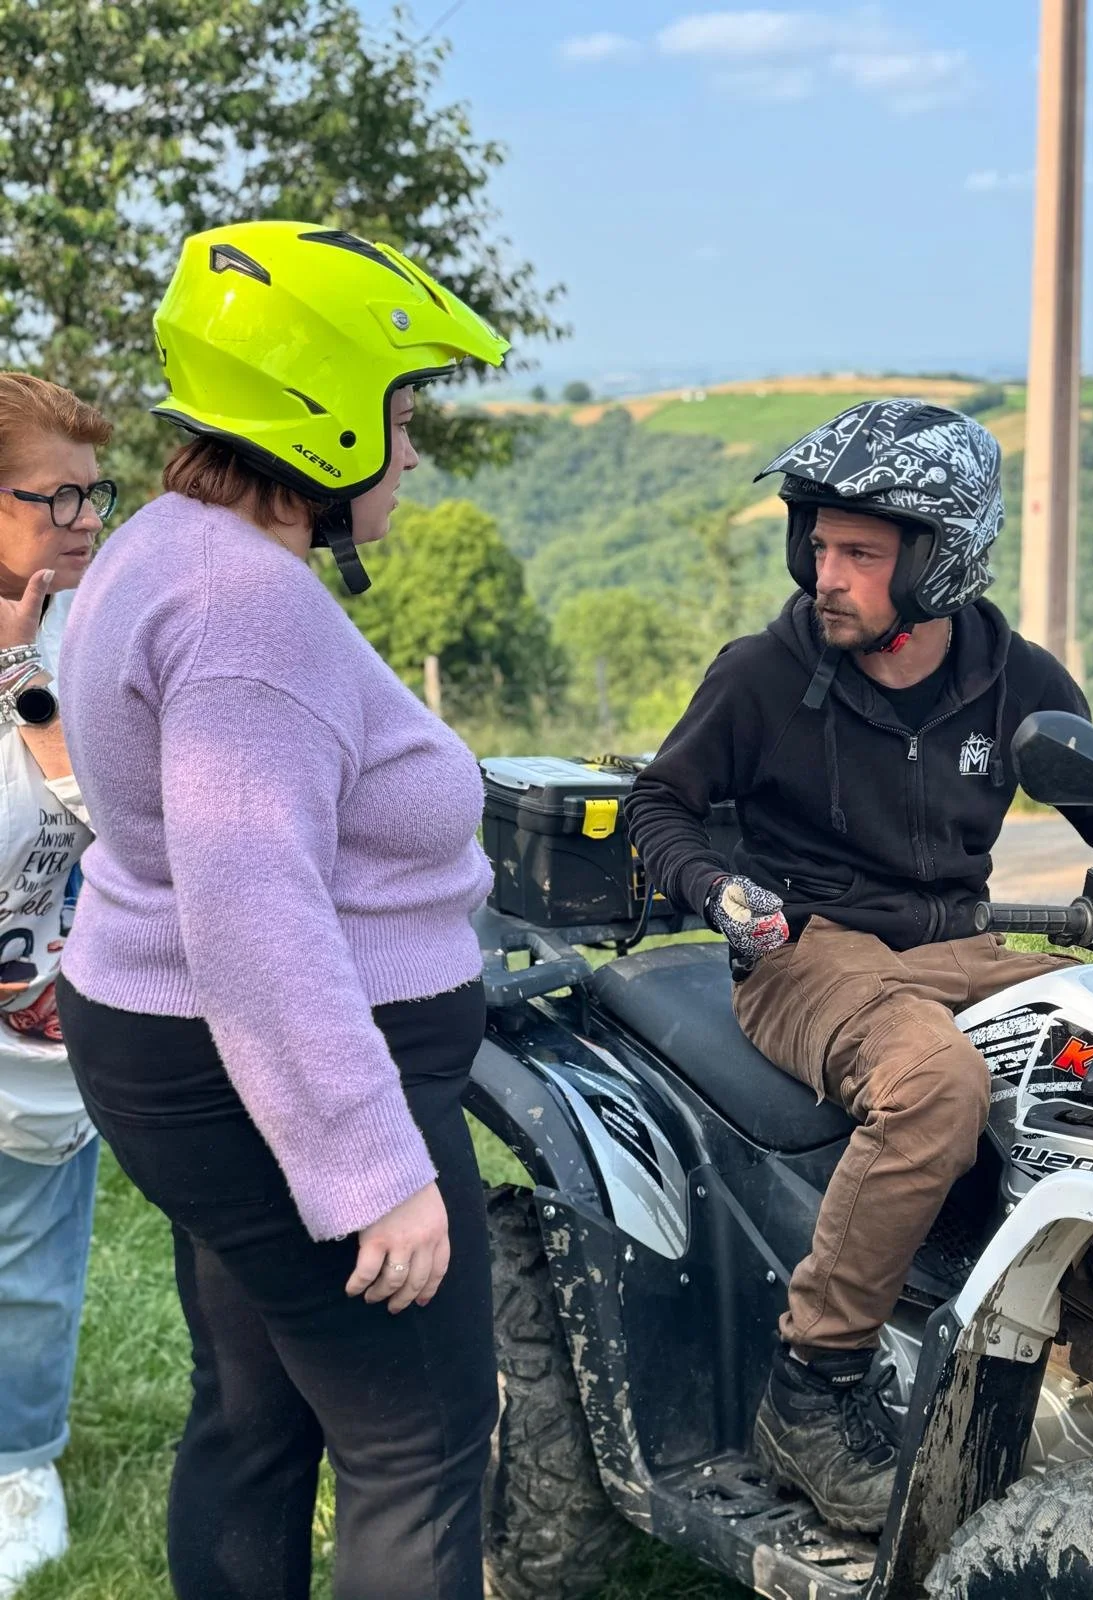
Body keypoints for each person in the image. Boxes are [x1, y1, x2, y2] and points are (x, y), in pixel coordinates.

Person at [625, 397, 1093, 1536]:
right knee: (935, 1084)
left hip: (962, 944)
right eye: (820, 545)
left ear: (942, 566)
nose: (825, 574)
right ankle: (817, 1384)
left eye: (860, 554)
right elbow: (660, 802)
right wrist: (718, 893)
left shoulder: (1011, 674)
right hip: (804, 949)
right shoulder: (761, 673)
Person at [54, 220, 509, 1600]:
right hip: (281, 1076)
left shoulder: (164, 543)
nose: (414, 448)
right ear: (324, 412)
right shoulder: (253, 614)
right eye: (404, 408)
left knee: (257, 1421)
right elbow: (254, 919)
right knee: (418, 1447)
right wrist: (373, 1171)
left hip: (186, 1058)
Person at [0, 372, 115, 1596]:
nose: (86, 518)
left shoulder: (95, 628)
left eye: (97, 493)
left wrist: (24, 671)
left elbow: (115, 816)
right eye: (55, 496)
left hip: (31, 1005)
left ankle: (19, 1462)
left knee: (28, 1257)